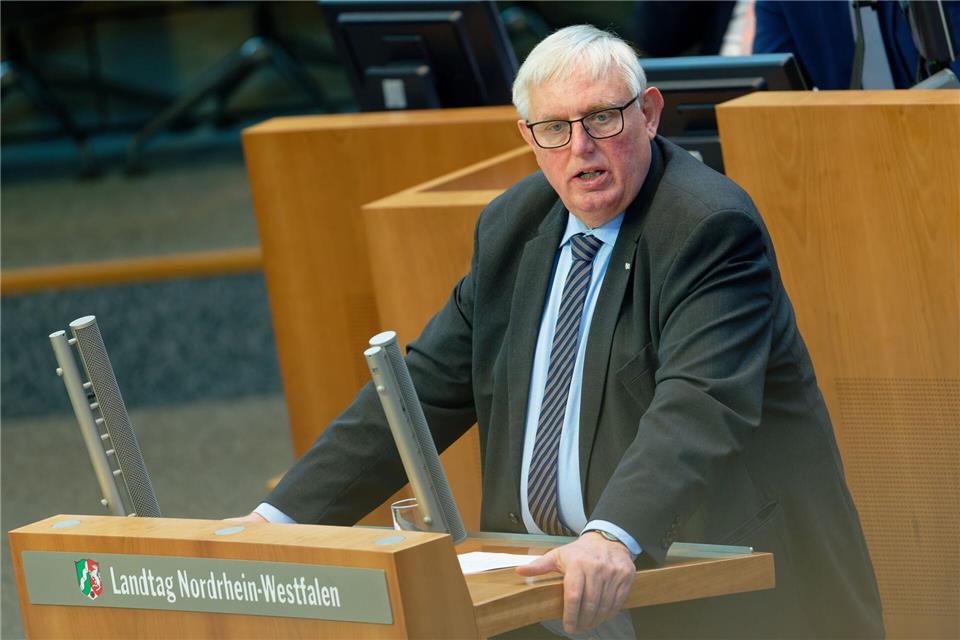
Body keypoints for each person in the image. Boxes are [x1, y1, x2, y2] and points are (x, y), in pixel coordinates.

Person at [237, 25, 884, 638]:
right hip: (540, 589)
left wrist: (613, 533)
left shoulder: (708, 228)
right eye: (555, 128)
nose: (581, 148)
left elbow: (699, 403)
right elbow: (423, 390)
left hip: (707, 589)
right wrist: (276, 523)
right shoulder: (512, 227)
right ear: (528, 135)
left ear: (650, 112)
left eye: (603, 118)